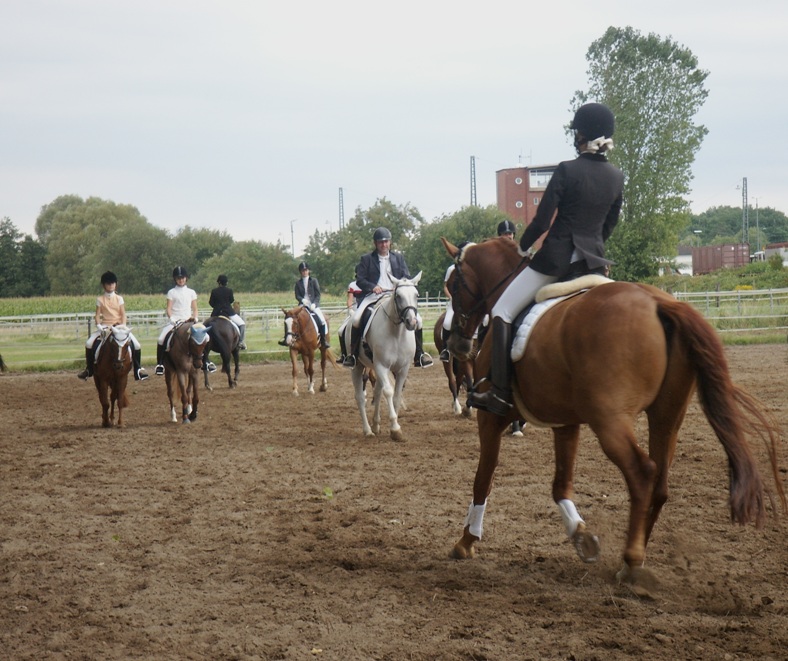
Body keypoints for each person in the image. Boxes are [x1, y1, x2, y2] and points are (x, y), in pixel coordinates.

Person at [468, 102, 624, 416]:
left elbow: (541, 221)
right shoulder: (616, 176)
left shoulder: (567, 169)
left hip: (556, 262)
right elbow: (610, 223)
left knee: (502, 310)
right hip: (595, 265)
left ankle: (498, 394)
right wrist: (593, 248)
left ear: (582, 135)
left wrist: (524, 249)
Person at [343, 226, 433, 369]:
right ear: (375, 243)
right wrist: (373, 287)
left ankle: (419, 355)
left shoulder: (398, 258)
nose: (384, 245)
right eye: (380, 242)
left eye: (386, 242)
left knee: (418, 321)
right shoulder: (366, 259)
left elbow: (406, 276)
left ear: (390, 242)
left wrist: (404, 285)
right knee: (355, 319)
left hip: (394, 296)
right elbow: (360, 279)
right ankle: (353, 355)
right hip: (373, 296)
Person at [77, 271, 149, 381]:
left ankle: (137, 370)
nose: (111, 286)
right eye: (108, 284)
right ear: (104, 285)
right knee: (89, 343)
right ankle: (89, 369)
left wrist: (123, 325)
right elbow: (97, 315)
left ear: (115, 284)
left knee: (137, 345)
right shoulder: (100, 299)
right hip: (106, 327)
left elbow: (123, 314)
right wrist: (99, 325)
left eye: (112, 283)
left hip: (119, 327)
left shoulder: (119, 298)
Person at [154, 266, 214, 375]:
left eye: (182, 278)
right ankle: (160, 364)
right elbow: (168, 308)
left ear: (186, 278)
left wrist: (195, 318)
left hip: (189, 320)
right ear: (175, 279)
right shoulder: (171, 292)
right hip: (175, 321)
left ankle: (206, 361)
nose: (181, 280)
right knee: (161, 339)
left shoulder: (191, 292)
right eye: (178, 278)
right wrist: (171, 319)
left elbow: (195, 308)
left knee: (207, 337)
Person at [281, 261, 330, 349]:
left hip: (313, 305)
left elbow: (318, 295)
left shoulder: (314, 281)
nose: (304, 272)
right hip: (302, 305)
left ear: (308, 271)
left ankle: (323, 340)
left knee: (322, 321)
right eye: (303, 270)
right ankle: (288, 338)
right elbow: (297, 295)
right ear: (300, 272)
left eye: (306, 270)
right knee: (291, 319)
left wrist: (314, 304)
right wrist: (302, 300)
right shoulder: (298, 283)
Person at [208, 274, 247, 349]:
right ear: (226, 283)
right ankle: (241, 342)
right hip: (228, 313)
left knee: (205, 326)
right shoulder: (229, 291)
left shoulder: (214, 291)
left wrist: (216, 307)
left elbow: (211, 302)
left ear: (218, 282)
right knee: (242, 324)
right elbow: (231, 300)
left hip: (216, 313)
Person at [336, 273, 362, 365]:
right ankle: (344, 354)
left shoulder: (370, 284)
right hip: (354, 312)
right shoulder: (352, 285)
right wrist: (350, 310)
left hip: (366, 311)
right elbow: (350, 300)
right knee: (340, 331)